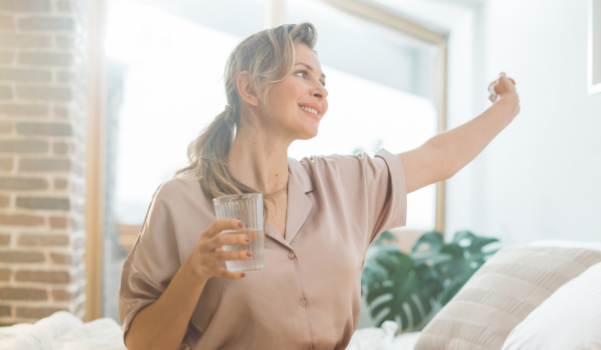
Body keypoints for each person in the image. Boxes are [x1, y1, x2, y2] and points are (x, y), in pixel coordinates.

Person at [118, 22, 519, 350]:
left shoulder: (344, 183)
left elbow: (439, 157)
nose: (321, 90)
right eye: (302, 74)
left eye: (323, 80)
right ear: (250, 88)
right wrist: (195, 270)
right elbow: (142, 343)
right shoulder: (179, 202)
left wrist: (507, 108)